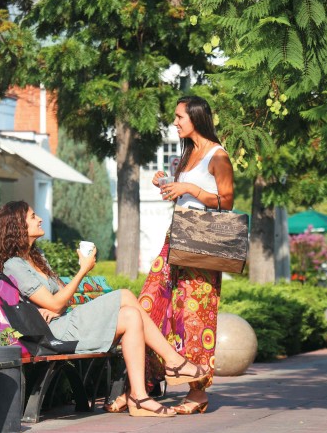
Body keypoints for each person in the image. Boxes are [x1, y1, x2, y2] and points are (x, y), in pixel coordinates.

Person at [0, 201, 211, 417]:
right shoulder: (14, 264)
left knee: (131, 316)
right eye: (33, 216)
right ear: (18, 227)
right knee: (125, 295)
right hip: (53, 334)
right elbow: (54, 302)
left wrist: (56, 306)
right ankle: (174, 362)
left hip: (63, 322)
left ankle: (139, 397)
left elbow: (62, 300)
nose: (40, 219)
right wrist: (82, 271)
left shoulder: (36, 257)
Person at [129, 95, 235, 415]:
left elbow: (227, 202)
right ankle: (142, 384)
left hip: (202, 243)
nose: (175, 122)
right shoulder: (187, 154)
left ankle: (197, 393)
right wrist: (169, 185)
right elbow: (184, 198)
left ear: (197, 118)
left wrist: (189, 189)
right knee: (149, 304)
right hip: (175, 238)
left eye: (179, 117)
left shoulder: (218, 155)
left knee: (194, 315)